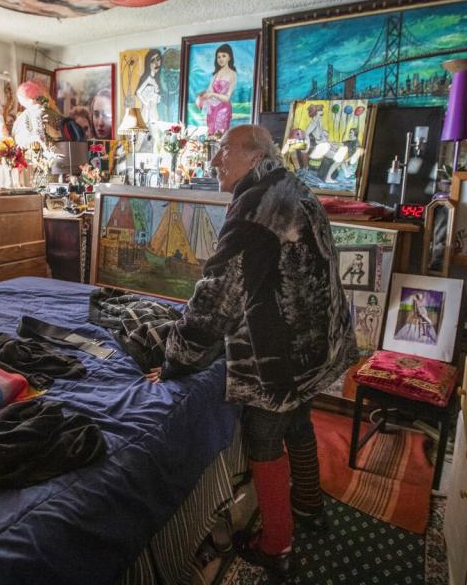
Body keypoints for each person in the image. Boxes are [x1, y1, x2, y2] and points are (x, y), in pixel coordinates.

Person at [148, 125, 356, 577]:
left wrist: (175, 361)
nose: (213, 160)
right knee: (298, 420)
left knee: (264, 437)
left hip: (284, 354)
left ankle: (277, 545)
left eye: (222, 150)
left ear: (255, 153)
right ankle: (309, 507)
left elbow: (217, 297)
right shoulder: (288, 185)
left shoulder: (258, 205)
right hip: (319, 341)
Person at [197, 43, 237, 135]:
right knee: (210, 135)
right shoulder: (215, 75)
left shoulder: (233, 74)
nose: (221, 59)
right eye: (218, 57)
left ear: (229, 57)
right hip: (212, 108)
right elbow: (209, 91)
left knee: (220, 136)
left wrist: (212, 94)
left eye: (224, 56)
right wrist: (202, 96)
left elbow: (227, 98)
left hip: (223, 109)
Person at [135, 48, 163, 125]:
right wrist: (146, 103)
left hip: (154, 114)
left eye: (158, 59)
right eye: (153, 61)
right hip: (146, 113)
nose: (156, 63)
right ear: (148, 64)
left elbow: (157, 98)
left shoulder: (157, 79)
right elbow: (138, 92)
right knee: (142, 134)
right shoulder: (147, 78)